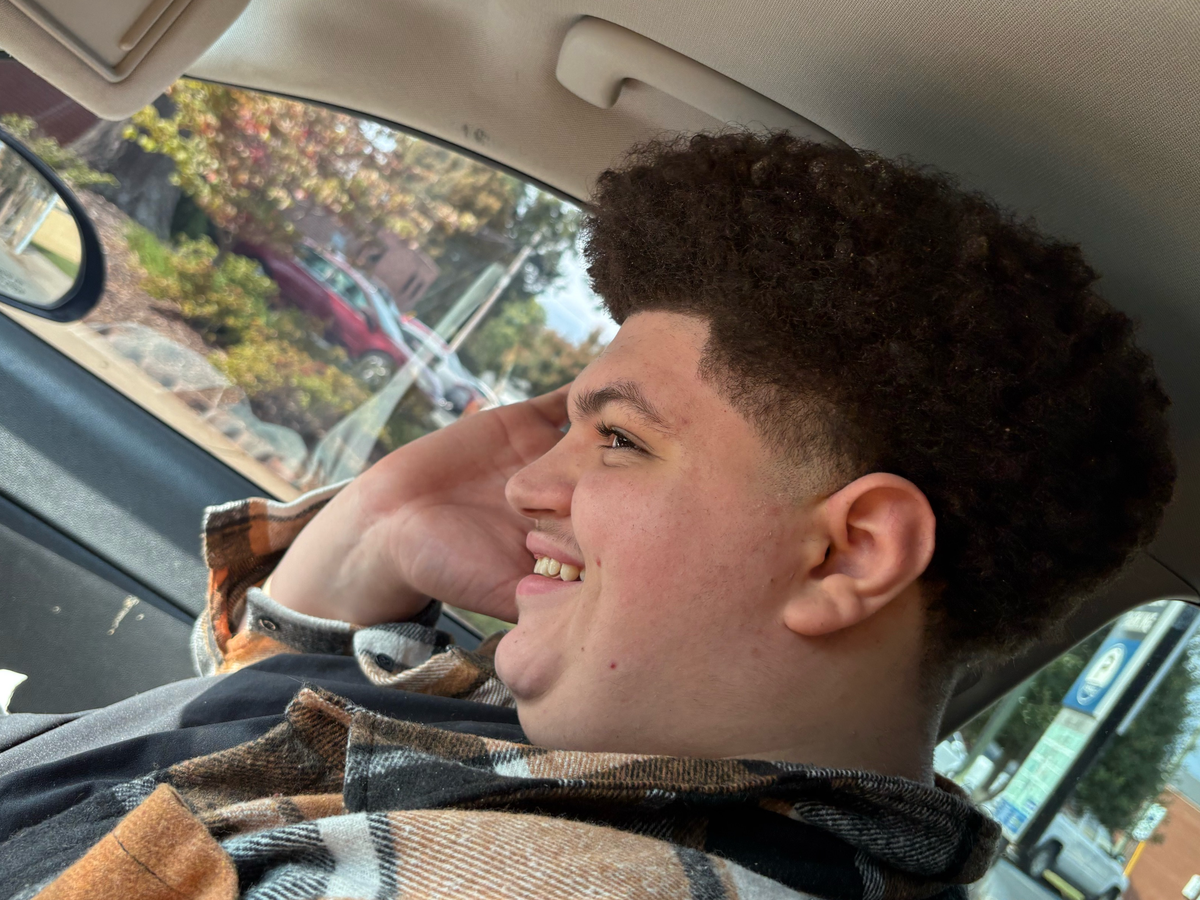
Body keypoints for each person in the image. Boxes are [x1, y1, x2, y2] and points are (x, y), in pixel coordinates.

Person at [0, 132, 1174, 900]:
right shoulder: (604, 765)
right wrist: (377, 528)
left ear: (848, 553)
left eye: (619, 438)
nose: (525, 482)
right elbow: (226, 765)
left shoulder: (554, 877)